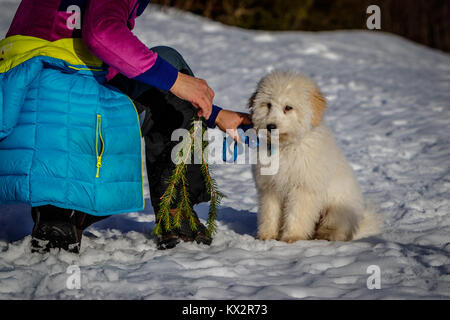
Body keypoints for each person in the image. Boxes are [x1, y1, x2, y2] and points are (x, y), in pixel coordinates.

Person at [1, 0, 251, 253]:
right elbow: (102, 33)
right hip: (77, 130)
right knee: (169, 61)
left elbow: (101, 67)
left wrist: (215, 113)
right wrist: (176, 81)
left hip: (25, 130)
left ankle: (63, 212)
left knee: (160, 71)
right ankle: (176, 213)